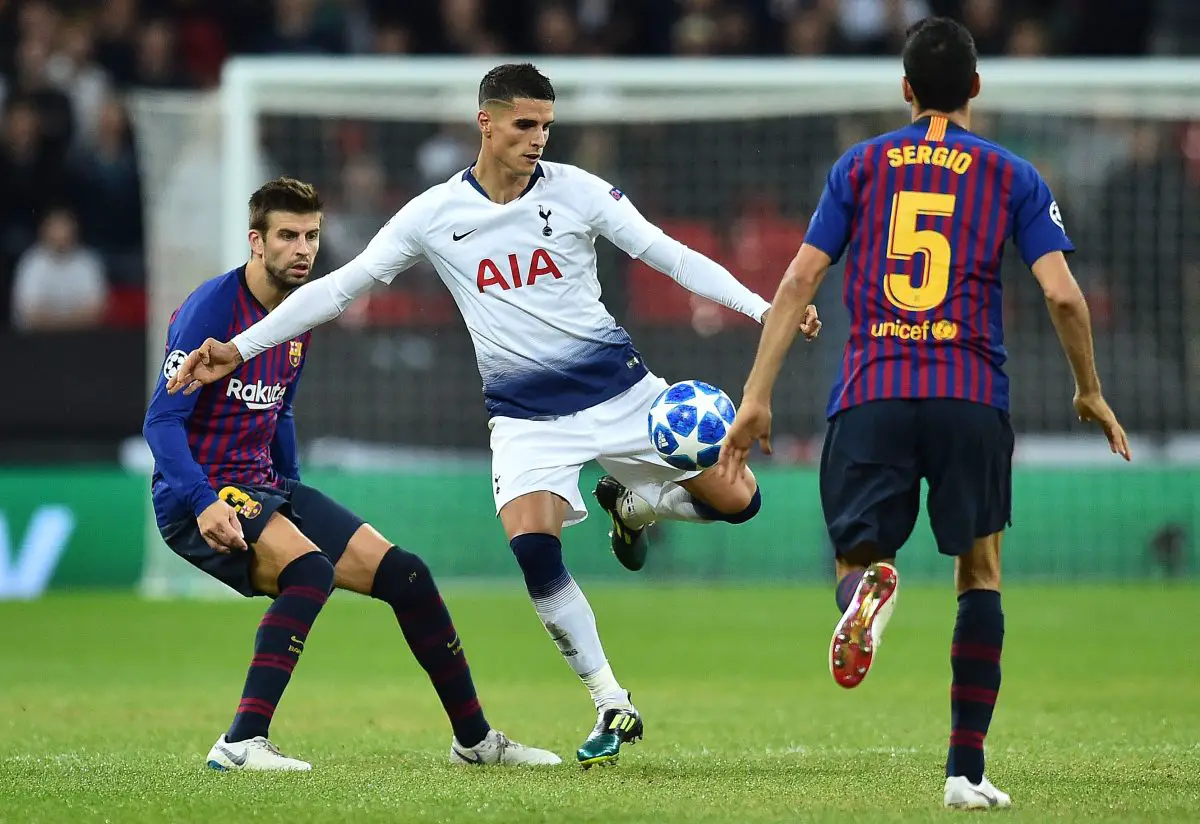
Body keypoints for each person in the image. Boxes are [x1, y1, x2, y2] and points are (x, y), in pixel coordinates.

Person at [163, 63, 822, 767]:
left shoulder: (578, 192)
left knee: (740, 501)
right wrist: (238, 346)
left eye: (545, 125)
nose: (538, 139)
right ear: (487, 122)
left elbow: (671, 257)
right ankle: (609, 700)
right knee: (534, 547)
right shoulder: (435, 214)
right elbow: (338, 289)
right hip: (527, 421)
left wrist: (764, 308)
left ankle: (636, 508)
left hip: (621, 394)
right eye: (523, 125)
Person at [716, 18, 1130, 810]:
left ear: (905, 89)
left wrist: (757, 395)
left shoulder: (861, 166)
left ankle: (867, 593)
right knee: (980, 573)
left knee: (855, 557)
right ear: (976, 87)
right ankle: (965, 773)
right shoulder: (1012, 174)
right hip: (970, 396)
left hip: (873, 390)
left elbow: (801, 278)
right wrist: (1088, 389)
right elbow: (1064, 294)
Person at [143, 177, 560, 771]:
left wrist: (290, 491)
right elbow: (161, 420)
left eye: (311, 235)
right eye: (287, 236)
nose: (303, 249)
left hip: (264, 488)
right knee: (308, 571)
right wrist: (205, 501)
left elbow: (279, 408)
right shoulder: (212, 309)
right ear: (255, 243)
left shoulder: (299, 311)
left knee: (408, 576)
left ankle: (475, 740)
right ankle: (239, 743)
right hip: (198, 496)